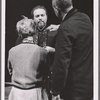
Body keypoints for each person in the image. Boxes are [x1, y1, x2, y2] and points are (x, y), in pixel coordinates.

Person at [48, 0, 93, 100]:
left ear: (56, 8)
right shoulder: (85, 18)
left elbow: (61, 64)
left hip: (73, 92)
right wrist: (60, 27)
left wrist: (55, 91)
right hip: (89, 86)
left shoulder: (65, 28)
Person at [7, 17, 48, 100]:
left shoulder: (12, 51)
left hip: (16, 93)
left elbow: (10, 71)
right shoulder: (42, 51)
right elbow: (46, 72)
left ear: (19, 33)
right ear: (35, 31)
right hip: (34, 92)